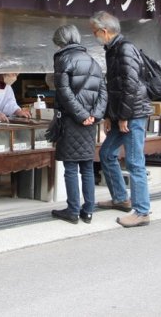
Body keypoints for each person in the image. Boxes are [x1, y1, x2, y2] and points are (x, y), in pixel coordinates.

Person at [90, 10, 153, 228]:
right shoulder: (113, 49)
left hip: (133, 115)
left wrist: (124, 116)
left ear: (104, 31)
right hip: (121, 114)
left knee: (135, 162)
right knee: (107, 153)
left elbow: (131, 86)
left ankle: (142, 211)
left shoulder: (125, 49)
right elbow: (113, 87)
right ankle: (120, 198)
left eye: (95, 32)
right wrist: (109, 116)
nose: (95, 36)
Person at [49, 24, 107, 224]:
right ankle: (88, 211)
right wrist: (94, 116)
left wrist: (81, 115)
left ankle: (73, 211)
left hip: (72, 120)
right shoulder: (94, 62)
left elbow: (64, 93)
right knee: (87, 167)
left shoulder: (63, 59)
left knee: (71, 167)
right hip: (90, 122)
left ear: (61, 42)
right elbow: (103, 93)